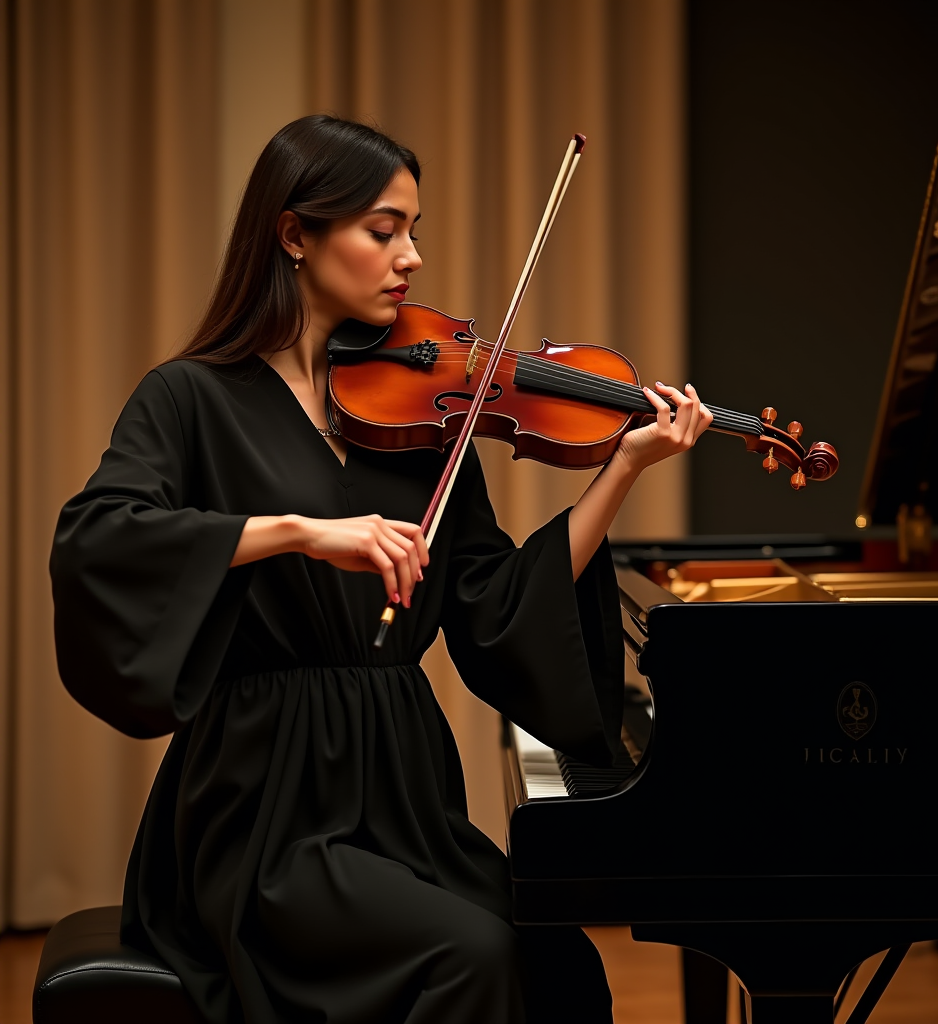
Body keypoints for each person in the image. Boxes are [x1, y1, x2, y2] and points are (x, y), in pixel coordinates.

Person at [49, 115, 712, 1024]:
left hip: (404, 800)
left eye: (414, 229)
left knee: (555, 966)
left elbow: (495, 604)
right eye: (385, 229)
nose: (413, 257)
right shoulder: (191, 396)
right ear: (295, 235)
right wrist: (298, 531)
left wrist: (623, 468)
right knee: (470, 959)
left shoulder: (426, 415)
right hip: (265, 809)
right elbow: (102, 537)